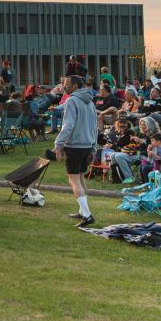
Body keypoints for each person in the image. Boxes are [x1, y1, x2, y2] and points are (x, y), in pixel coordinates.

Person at [51, 75, 100, 226]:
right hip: (87, 146)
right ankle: (82, 210)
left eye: (67, 84)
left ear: (76, 86)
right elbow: (94, 127)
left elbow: (68, 125)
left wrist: (58, 143)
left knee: (73, 180)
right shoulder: (90, 102)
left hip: (74, 146)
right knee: (80, 178)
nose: (64, 86)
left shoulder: (71, 100)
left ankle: (87, 214)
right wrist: (93, 146)